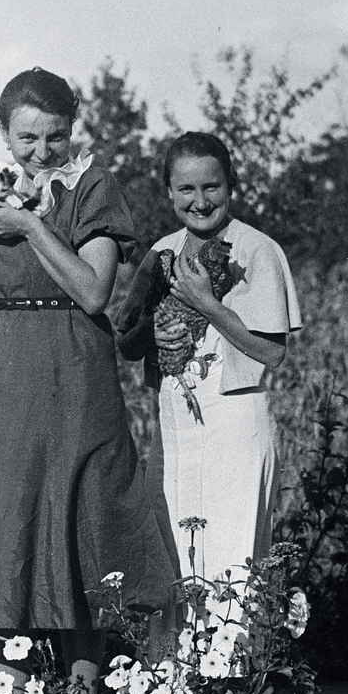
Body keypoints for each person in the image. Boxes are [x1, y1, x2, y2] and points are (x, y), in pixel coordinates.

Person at [0, 67, 177, 694]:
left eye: (54, 137)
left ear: (72, 132)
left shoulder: (90, 185)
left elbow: (94, 290)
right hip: (2, 371)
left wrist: (31, 227)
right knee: (9, 520)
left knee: (81, 517)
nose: (41, 153)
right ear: (4, 134)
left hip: (72, 364)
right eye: (26, 139)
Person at [116, 132, 302, 610]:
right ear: (169, 193)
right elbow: (126, 340)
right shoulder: (161, 253)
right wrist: (151, 335)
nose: (199, 202)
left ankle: (229, 679)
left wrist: (207, 304)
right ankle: (175, 682)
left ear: (232, 185)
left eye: (211, 187)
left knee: (232, 556)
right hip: (176, 425)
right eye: (186, 190)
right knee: (174, 554)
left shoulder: (258, 250)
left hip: (236, 422)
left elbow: (272, 352)